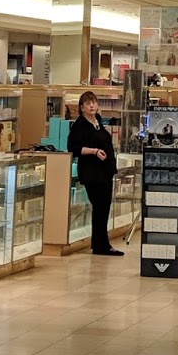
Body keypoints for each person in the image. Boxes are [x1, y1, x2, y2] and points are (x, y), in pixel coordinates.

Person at [68, 91, 122, 256]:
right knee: (100, 207)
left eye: (93, 102)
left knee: (104, 207)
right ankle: (101, 245)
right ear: (81, 107)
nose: (91, 106)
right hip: (92, 172)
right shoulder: (80, 125)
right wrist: (94, 151)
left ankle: (101, 243)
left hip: (105, 171)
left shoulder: (97, 120)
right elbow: (73, 148)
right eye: (87, 103)